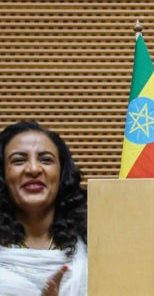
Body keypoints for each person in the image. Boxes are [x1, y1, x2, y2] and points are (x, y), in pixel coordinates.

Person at [0, 121, 87, 296]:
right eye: (18, 160)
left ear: (62, 174)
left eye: (46, 160)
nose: (33, 169)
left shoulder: (92, 244)